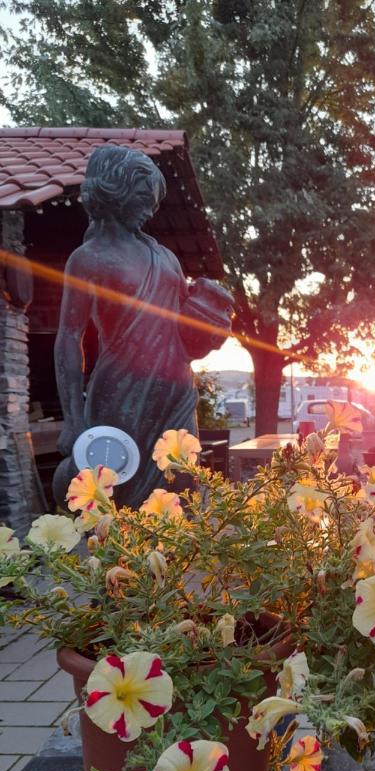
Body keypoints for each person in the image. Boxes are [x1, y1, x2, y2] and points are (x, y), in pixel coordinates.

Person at [53, 145, 233, 508]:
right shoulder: (88, 259)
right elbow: (69, 338)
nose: (149, 209)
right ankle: (122, 563)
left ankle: (174, 562)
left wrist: (211, 317)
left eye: (152, 201)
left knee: (180, 486)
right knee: (117, 491)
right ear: (114, 193)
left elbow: (186, 328)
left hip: (176, 391)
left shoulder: (165, 256)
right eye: (142, 198)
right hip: (120, 395)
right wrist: (72, 417)